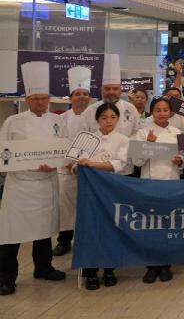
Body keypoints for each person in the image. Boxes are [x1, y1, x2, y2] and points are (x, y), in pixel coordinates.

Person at [0, 62, 66, 296]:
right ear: (27, 99)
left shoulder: (57, 121)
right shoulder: (13, 122)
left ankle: (43, 268)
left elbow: (64, 149)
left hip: (46, 183)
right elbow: (3, 152)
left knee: (43, 230)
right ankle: (6, 278)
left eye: (44, 98)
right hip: (20, 185)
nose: (40, 102)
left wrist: (57, 163)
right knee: (11, 233)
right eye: (36, 99)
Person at [77, 102, 134, 290]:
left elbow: (119, 164)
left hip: (112, 190)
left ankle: (109, 269)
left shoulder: (123, 140)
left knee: (112, 228)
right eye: (104, 118)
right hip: (90, 191)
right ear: (97, 119)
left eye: (112, 117)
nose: (108, 121)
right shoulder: (87, 138)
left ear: (118, 119)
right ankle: (90, 271)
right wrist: (78, 166)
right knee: (91, 229)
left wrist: (91, 164)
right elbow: (75, 165)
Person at [132, 97, 184, 284]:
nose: (162, 113)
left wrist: (179, 161)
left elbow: (182, 158)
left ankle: (165, 265)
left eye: (165, 110)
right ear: (152, 112)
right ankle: (151, 266)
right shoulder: (142, 132)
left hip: (170, 182)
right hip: (149, 183)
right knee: (150, 225)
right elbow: (136, 162)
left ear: (171, 112)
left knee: (168, 225)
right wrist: (149, 144)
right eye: (158, 110)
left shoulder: (177, 132)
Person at [53, 66, 92, 257]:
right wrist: (67, 162)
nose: (82, 97)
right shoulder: (60, 119)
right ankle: (64, 240)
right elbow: (57, 143)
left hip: (89, 169)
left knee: (88, 208)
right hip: (66, 170)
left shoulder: (96, 117)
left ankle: (85, 241)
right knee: (66, 207)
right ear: (70, 98)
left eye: (85, 93)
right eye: (78, 94)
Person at [83, 54, 140, 137]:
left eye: (115, 89)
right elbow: (84, 135)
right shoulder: (90, 110)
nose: (111, 92)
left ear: (120, 90)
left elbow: (137, 133)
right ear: (101, 90)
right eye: (107, 89)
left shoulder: (131, 109)